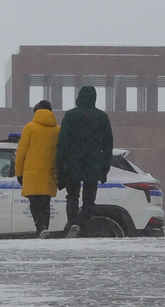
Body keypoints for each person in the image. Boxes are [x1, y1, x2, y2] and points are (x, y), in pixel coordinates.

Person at [55, 85, 113, 238]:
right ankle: (85, 225)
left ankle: (72, 222)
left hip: (73, 163)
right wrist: (104, 168)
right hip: (93, 164)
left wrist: (60, 168)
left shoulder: (70, 116)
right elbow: (108, 145)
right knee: (89, 199)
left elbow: (62, 144)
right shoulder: (102, 117)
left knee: (72, 195)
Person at [14, 100, 60, 238]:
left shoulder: (30, 127)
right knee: (45, 202)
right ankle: (44, 227)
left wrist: (19, 172)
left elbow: (21, 152)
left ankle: (40, 227)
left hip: (32, 172)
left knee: (34, 203)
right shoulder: (58, 129)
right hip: (50, 172)